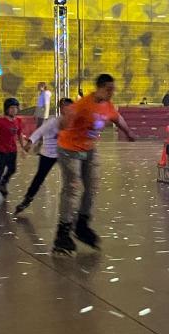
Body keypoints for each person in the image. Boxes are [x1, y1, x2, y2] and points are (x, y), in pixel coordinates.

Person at [53, 74, 136, 255]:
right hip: (69, 150)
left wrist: (128, 132)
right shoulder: (83, 105)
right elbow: (63, 122)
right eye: (108, 89)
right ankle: (63, 233)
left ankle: (82, 225)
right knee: (72, 188)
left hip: (88, 149)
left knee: (92, 186)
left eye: (113, 89)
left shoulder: (107, 105)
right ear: (98, 88)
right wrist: (64, 122)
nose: (111, 93)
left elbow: (117, 118)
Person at [16, 97, 73, 215]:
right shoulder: (53, 121)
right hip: (48, 154)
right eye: (64, 107)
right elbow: (39, 131)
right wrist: (29, 143)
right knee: (40, 177)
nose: (67, 109)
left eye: (69, 107)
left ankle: (70, 203)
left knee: (71, 177)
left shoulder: (72, 122)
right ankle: (27, 199)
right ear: (61, 109)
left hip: (63, 153)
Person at [0, 97, 27, 207]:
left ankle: (3, 183)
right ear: (6, 109)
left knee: (12, 169)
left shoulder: (18, 121)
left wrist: (23, 147)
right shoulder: (1, 121)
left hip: (12, 150)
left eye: (15, 108)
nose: (14, 110)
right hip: (2, 150)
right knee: (0, 169)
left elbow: (20, 134)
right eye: (11, 108)